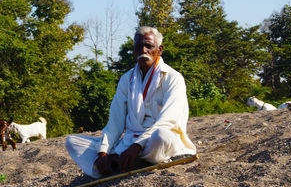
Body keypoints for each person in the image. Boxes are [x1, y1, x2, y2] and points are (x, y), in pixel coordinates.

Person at [65, 26, 196, 178]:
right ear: (134, 50)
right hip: (128, 144)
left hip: (156, 141)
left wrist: (137, 146)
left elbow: (169, 120)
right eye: (138, 46)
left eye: (149, 46)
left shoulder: (173, 78)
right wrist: (103, 152)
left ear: (159, 50)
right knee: (72, 142)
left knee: (161, 135)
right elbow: (115, 123)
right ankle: (123, 162)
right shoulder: (127, 79)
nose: (143, 50)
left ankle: (129, 161)